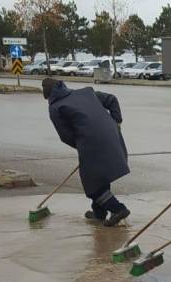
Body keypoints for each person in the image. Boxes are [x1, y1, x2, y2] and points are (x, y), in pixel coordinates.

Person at [43, 78, 131, 226]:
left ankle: (118, 209)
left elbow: (66, 136)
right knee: (100, 177)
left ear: (48, 96)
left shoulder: (56, 107)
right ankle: (99, 213)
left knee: (92, 186)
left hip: (92, 143)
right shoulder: (86, 92)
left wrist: (83, 147)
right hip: (113, 135)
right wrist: (116, 122)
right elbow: (112, 100)